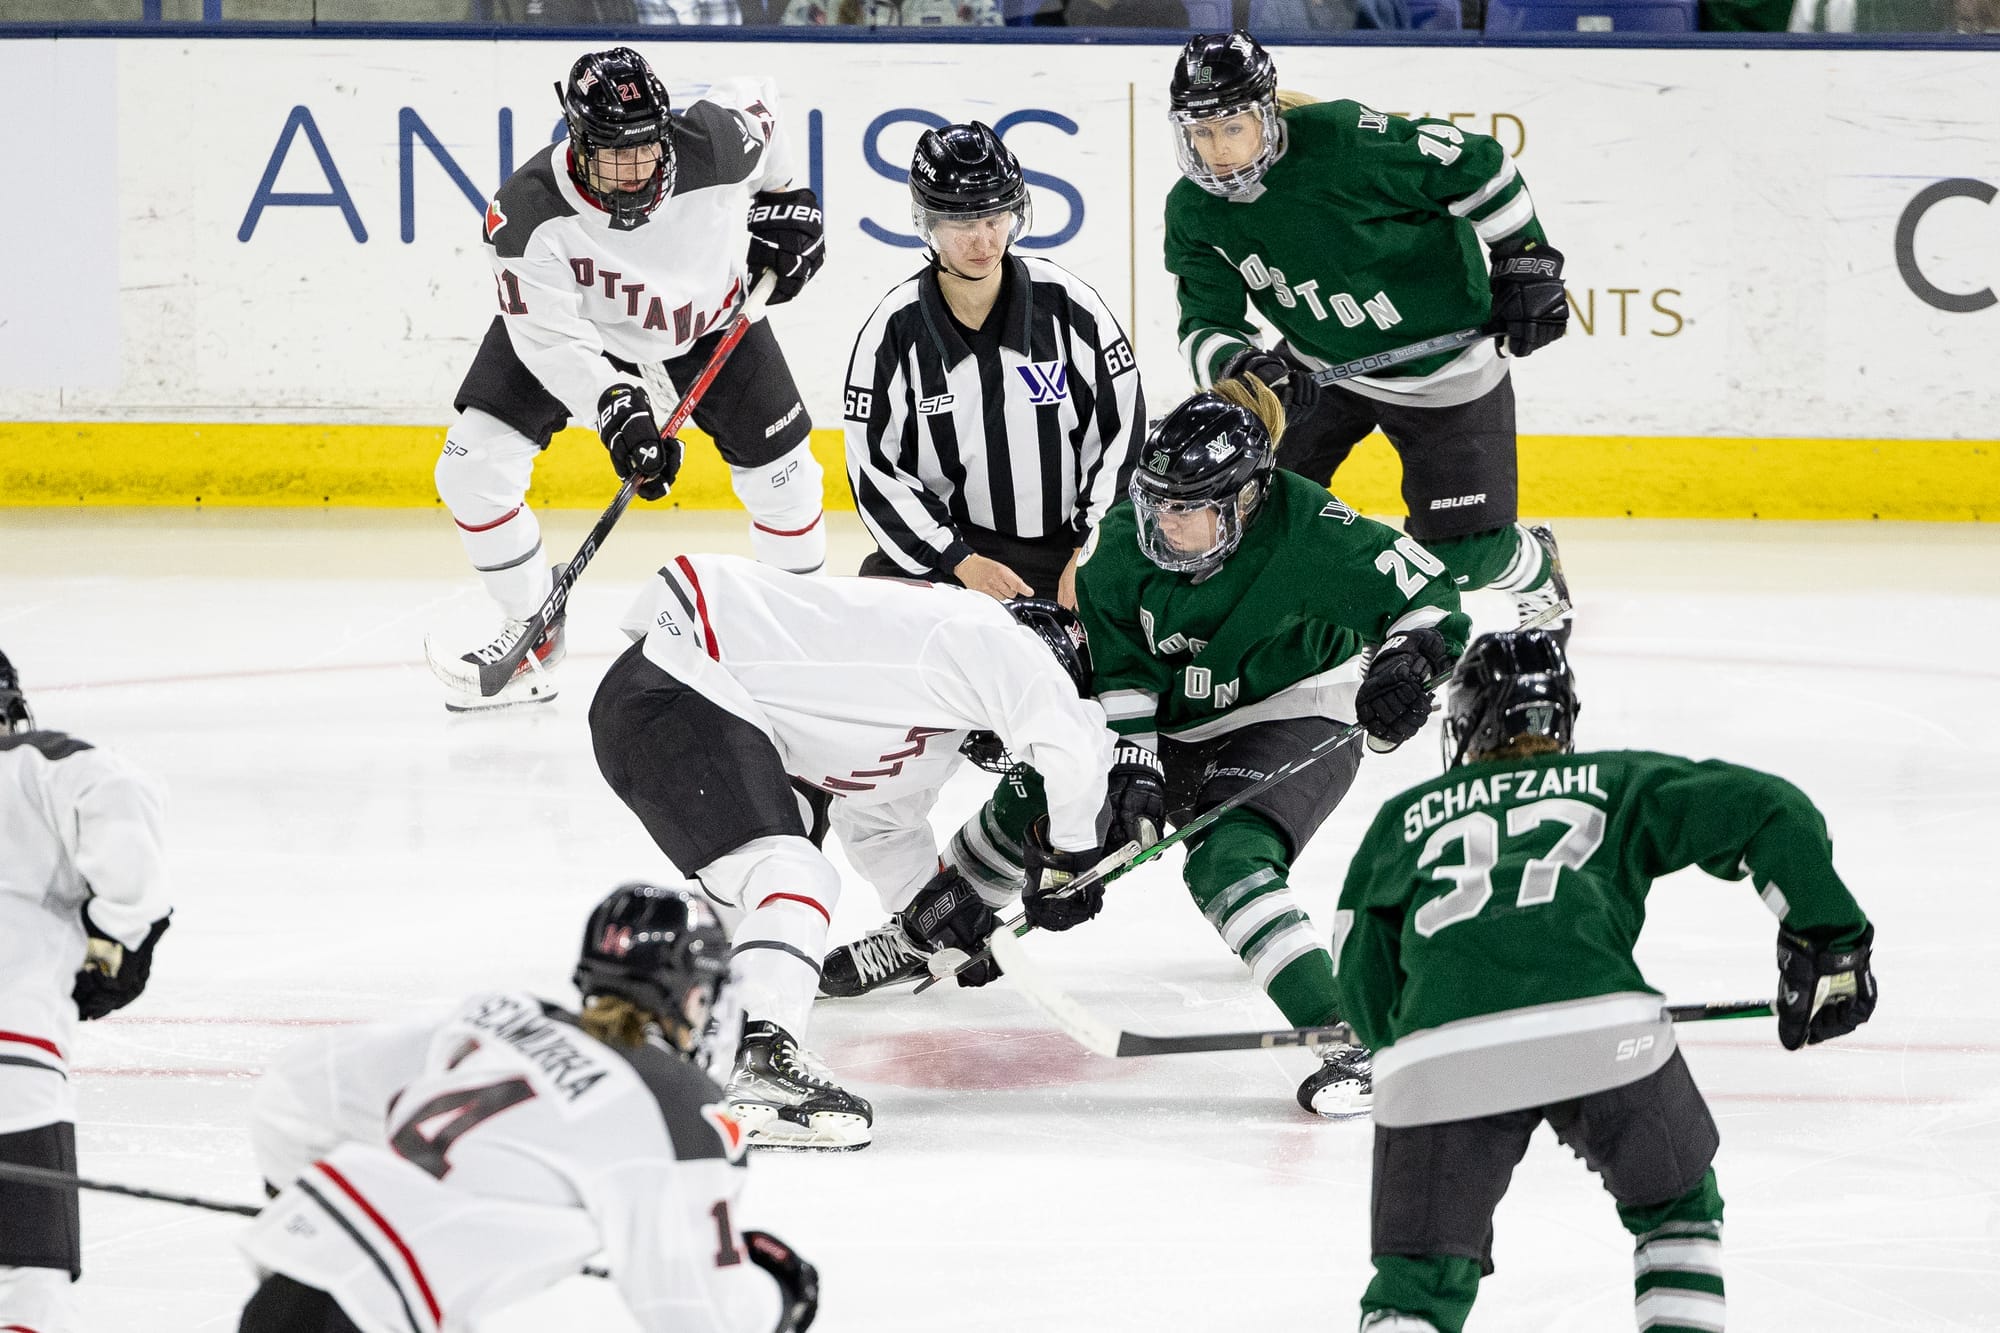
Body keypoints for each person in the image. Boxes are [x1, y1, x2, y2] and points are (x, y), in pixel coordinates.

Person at [1333, 629, 1878, 1333]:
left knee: (1417, 1281)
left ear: (1467, 721)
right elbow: (1769, 809)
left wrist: (1402, 1045)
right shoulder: (1611, 780)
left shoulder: (1401, 819)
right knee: (1677, 1214)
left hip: (1437, 1056)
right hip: (1601, 1028)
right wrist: (1827, 935)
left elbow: (1360, 964)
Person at [589, 557, 1137, 1148]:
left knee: (761, 882)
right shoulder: (992, 635)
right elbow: (1071, 746)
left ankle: (674, 1026)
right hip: (682, 674)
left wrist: (939, 908)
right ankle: (762, 1059)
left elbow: (881, 823)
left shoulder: (936, 722)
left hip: (671, 702)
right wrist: (1073, 858)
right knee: (791, 872)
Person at [1065, 377, 1472, 1117]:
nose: (1164, 519)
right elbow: (1120, 667)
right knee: (1048, 796)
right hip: (1183, 715)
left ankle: (1350, 1034)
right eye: (1157, 499)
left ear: (1246, 499)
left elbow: (1431, 595)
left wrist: (1406, 661)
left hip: (1296, 702)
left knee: (1227, 856)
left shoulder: (1313, 527)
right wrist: (1130, 764)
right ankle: (928, 923)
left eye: (1188, 507)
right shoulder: (1123, 540)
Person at [431, 46, 828, 711]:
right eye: (613, 154)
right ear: (578, 140)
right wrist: (616, 407)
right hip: (583, 332)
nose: (634, 171)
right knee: (469, 468)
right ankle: (533, 631)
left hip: (709, 325)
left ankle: (802, 647)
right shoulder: (526, 213)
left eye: (646, 149)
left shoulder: (716, 141)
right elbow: (551, 343)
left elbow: (765, 102)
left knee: (788, 481)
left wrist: (790, 201)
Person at [238, 883, 820, 1333]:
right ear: (691, 994)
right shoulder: (676, 1105)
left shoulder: (502, 1018)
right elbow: (693, 1313)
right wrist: (778, 1295)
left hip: (288, 1281)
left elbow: (301, 1088)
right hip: (373, 1316)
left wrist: (306, 1207)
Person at [1164, 31, 1572, 640]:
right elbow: (1204, 323)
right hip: (1315, 368)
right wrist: (1246, 368)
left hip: (1447, 374)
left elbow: (1480, 165)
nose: (1216, 151)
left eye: (1231, 128)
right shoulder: (1194, 210)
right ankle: (1298, 637)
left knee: (1464, 555)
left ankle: (1536, 568)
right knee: (1248, 513)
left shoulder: (1347, 143)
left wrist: (1525, 260)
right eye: (1200, 132)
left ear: (1268, 114)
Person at [844, 121, 1145, 607]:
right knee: (874, 613)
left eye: (995, 218)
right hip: (959, 552)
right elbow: (874, 469)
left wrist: (1089, 550)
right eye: (963, 223)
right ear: (929, 223)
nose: (984, 241)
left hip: (1070, 549)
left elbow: (1121, 436)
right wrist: (960, 560)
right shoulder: (894, 333)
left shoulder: (1071, 308)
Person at [0, 649, 173, 1333]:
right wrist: (109, 949)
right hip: (13, 1064)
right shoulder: (47, 763)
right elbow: (134, 874)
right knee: (27, 1283)